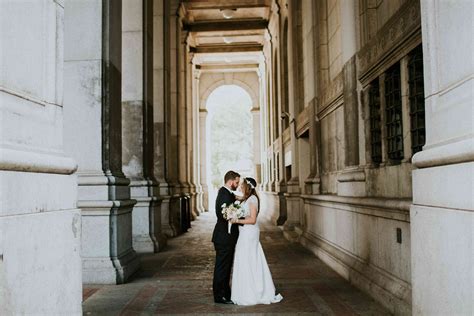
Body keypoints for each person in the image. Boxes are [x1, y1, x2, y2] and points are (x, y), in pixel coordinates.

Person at [230, 177, 283, 305]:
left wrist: (237, 220)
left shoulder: (253, 199)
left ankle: (253, 291)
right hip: (244, 232)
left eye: (242, 185)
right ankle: (245, 290)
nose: (240, 187)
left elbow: (252, 219)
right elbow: (238, 200)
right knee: (245, 258)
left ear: (247, 187)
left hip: (249, 232)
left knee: (249, 259)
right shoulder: (246, 198)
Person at [212, 170, 241, 304]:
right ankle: (220, 295)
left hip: (226, 236)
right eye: (236, 182)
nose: (238, 184)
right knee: (222, 267)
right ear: (230, 181)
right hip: (224, 237)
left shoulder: (227, 193)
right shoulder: (224, 194)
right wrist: (236, 215)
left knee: (226, 266)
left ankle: (225, 291)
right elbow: (223, 214)